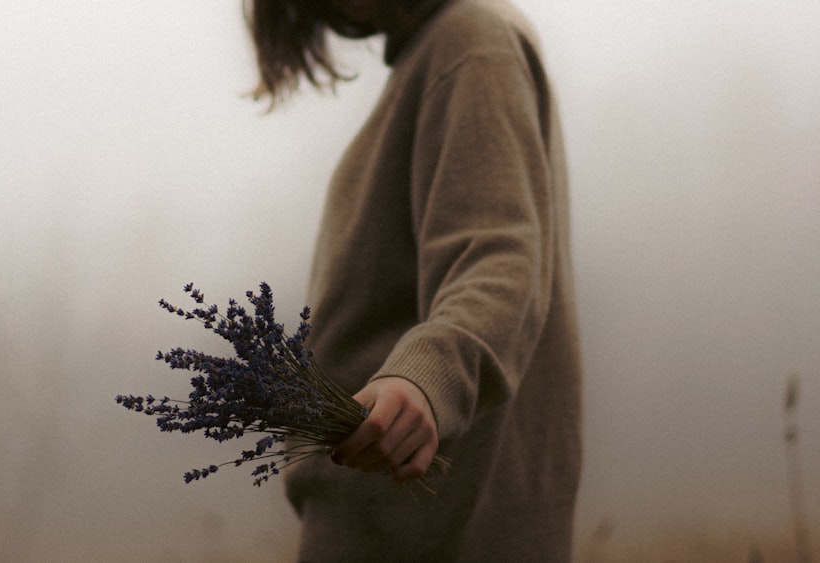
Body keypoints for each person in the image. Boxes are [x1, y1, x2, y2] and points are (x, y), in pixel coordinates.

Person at [244, 0, 582, 560]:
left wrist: (424, 380)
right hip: (398, 519)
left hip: (435, 527)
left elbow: (494, 259)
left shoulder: (472, 43)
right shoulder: (439, 55)